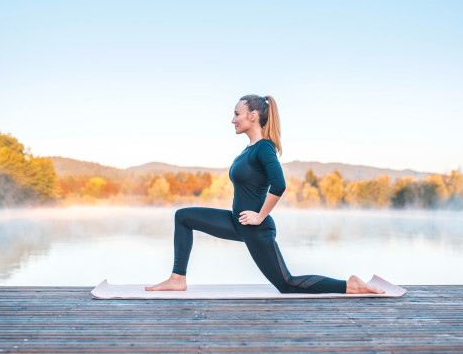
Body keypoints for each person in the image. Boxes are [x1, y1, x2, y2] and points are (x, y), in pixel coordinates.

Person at [145, 95, 384, 294]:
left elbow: (279, 185)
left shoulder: (264, 148)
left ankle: (349, 285)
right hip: (236, 222)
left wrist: (259, 216)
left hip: (256, 228)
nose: (232, 120)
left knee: (286, 284)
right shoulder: (247, 150)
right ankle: (178, 278)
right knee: (183, 216)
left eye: (237, 114)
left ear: (253, 116)